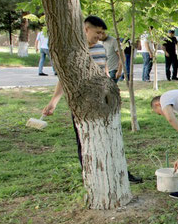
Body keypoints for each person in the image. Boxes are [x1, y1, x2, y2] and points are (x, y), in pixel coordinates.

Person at [41, 15, 141, 183]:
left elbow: (104, 70)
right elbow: (64, 80)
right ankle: (90, 175)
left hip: (103, 102)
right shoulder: (75, 51)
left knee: (112, 138)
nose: (99, 36)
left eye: (102, 33)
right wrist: (53, 103)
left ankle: (121, 172)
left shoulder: (101, 48)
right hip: (82, 104)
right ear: (86, 29)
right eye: (97, 32)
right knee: (84, 141)